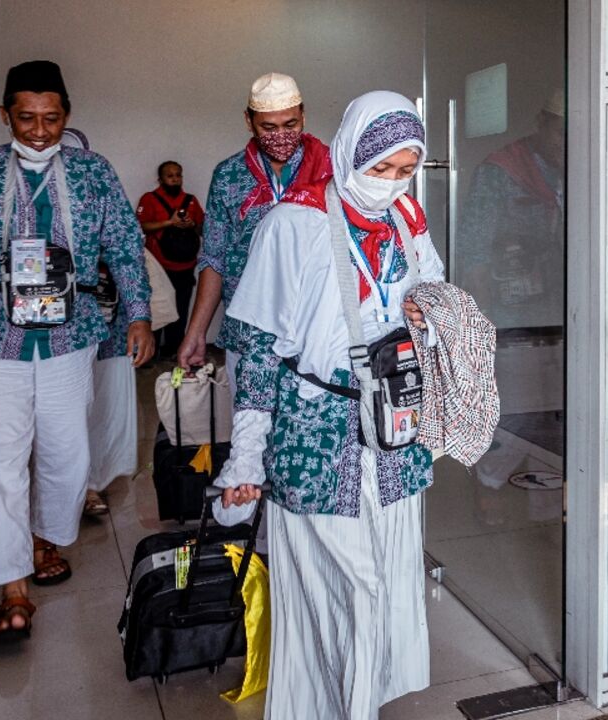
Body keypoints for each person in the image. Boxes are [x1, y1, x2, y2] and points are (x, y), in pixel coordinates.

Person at [0, 60, 153, 645]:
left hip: (69, 335)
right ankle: (11, 588)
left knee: (67, 452)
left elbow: (123, 243)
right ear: (4, 116)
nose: (40, 131)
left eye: (52, 118)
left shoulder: (92, 171)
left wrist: (138, 313)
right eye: (26, 118)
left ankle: (43, 537)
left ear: (68, 115)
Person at [214, 91, 441, 720]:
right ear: (348, 154)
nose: (390, 183)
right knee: (349, 589)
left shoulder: (406, 219)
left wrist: (426, 312)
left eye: (405, 170)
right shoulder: (294, 223)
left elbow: (435, 294)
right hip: (316, 437)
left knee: (387, 581)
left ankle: (351, 704)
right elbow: (258, 351)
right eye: (380, 168)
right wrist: (246, 459)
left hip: (392, 431)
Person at [176, 72, 331, 389]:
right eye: (268, 128)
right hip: (248, 333)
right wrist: (196, 331)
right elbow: (215, 258)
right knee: (249, 418)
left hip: (316, 332)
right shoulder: (229, 176)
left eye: (290, 125)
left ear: (303, 115)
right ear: (249, 121)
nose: (281, 136)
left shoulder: (329, 169)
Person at [459, 89, 564, 330]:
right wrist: (483, 319)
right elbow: (474, 250)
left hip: (560, 303)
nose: (567, 143)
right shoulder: (498, 171)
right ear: (541, 123)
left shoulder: (579, 167)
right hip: (510, 309)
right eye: (561, 133)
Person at [137, 160, 204, 359]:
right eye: (170, 176)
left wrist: (191, 224)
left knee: (180, 310)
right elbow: (140, 226)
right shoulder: (149, 199)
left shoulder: (191, 200)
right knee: (157, 309)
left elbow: (203, 227)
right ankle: (151, 353)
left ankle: (175, 351)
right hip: (158, 266)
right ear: (160, 179)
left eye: (178, 175)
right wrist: (169, 222)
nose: (175, 179)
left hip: (186, 265)